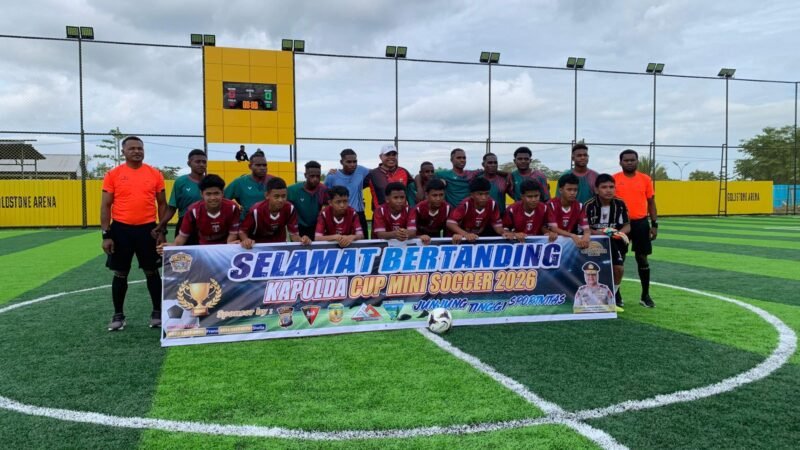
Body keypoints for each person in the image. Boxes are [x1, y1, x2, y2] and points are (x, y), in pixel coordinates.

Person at [100, 136, 167, 331]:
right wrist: (106, 235)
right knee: (120, 272)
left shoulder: (155, 174)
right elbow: (105, 205)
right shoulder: (113, 174)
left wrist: (161, 230)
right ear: (123, 152)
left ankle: (157, 313)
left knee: (152, 271)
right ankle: (118, 315)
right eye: (132, 148)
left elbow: (162, 203)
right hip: (121, 229)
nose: (137, 151)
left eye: (140, 148)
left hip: (148, 230)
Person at [613, 149, 658, 308]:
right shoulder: (614, 179)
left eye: (632, 160)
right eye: (626, 160)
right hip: (620, 224)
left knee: (642, 258)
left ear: (637, 161)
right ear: (620, 162)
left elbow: (651, 202)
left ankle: (645, 295)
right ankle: (616, 295)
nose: (629, 162)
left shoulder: (645, 179)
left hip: (641, 223)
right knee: (619, 259)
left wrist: (654, 224)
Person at [158, 174, 241, 252]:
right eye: (208, 194)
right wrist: (171, 247)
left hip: (224, 248)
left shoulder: (232, 208)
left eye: (216, 193)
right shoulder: (193, 210)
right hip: (203, 248)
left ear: (222, 193)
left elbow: (232, 234)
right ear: (201, 194)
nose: (213, 198)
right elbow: (182, 236)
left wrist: (229, 246)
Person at [584, 173, 631, 310]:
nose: (608, 190)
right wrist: (601, 234)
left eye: (611, 187)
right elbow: (584, 228)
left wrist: (619, 233)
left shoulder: (620, 204)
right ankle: (587, 299)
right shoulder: (589, 206)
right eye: (604, 187)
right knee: (592, 271)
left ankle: (612, 297)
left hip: (614, 242)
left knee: (619, 269)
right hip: (593, 242)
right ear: (596, 189)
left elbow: (627, 225)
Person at [154, 149, 207, 244]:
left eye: (204, 162)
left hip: (207, 224)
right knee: (183, 253)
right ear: (189, 163)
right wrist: (161, 225)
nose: (202, 164)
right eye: (198, 162)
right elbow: (172, 208)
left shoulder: (211, 181)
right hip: (185, 224)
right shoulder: (180, 182)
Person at [239, 177, 308, 248]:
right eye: (276, 196)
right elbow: (242, 231)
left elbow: (294, 235)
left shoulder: (290, 208)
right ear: (267, 195)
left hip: (279, 245)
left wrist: (302, 240)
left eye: (283, 196)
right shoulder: (256, 210)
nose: (281, 200)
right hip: (258, 246)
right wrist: (246, 240)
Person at [324, 148, 370, 237]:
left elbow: (376, 173)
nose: (352, 164)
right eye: (348, 162)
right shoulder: (332, 176)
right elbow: (326, 197)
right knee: (340, 242)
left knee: (363, 242)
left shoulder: (361, 170)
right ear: (341, 162)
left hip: (359, 214)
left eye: (354, 161)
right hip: (339, 215)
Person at [447, 177, 506, 243]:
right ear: (471, 195)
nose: (484, 197)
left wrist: (505, 232)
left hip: (479, 236)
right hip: (462, 237)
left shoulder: (493, 204)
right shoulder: (465, 205)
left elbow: (497, 226)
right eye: (480, 194)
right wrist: (466, 234)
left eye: (486, 194)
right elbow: (450, 223)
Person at [224, 152, 274, 220]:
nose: (262, 168)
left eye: (264, 165)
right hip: (246, 222)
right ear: (250, 166)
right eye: (258, 165)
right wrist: (235, 211)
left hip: (268, 222)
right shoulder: (239, 182)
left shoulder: (273, 180)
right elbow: (223, 200)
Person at [365, 144, 415, 211]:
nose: (391, 157)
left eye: (394, 155)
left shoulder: (403, 171)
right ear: (380, 157)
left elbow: (414, 185)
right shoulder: (373, 174)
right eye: (388, 154)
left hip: (402, 213)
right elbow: (357, 187)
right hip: (380, 214)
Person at [547, 173, 590, 249]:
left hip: (569, 244)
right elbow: (553, 228)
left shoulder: (579, 206)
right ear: (560, 190)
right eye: (569, 189)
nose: (572, 193)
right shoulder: (551, 204)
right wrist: (572, 235)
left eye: (575, 190)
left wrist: (586, 236)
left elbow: (585, 227)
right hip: (553, 243)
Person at [287, 160, 328, 241]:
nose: (315, 179)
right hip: (298, 227)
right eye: (312, 176)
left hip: (317, 227)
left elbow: (327, 206)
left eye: (318, 176)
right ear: (305, 175)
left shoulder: (323, 189)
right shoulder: (292, 190)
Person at [409, 178, 451, 245]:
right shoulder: (418, 209)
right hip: (419, 242)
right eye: (434, 195)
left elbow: (449, 231)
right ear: (426, 195)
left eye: (441, 195)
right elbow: (410, 231)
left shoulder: (448, 208)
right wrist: (419, 237)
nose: (438, 199)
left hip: (438, 242)